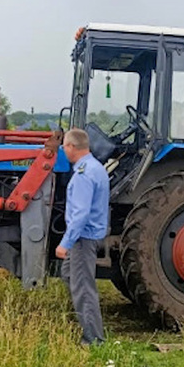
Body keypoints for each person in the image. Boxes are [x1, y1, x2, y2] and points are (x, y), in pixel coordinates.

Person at [56, 128, 110, 345]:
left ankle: (93, 339)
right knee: (68, 274)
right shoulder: (95, 167)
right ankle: (84, 320)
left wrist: (65, 243)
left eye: (64, 146)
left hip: (82, 238)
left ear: (71, 147)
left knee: (83, 287)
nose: (63, 150)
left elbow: (80, 215)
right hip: (90, 235)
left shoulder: (83, 175)